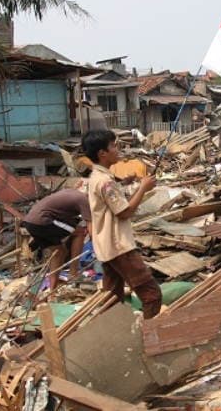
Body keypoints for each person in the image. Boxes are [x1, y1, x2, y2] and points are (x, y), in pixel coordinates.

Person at [82, 130, 162, 319]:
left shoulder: (98, 177)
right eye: (113, 146)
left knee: (113, 300)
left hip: (106, 248)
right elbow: (124, 212)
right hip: (119, 246)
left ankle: (113, 332)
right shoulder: (105, 182)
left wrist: (127, 185)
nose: (118, 149)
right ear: (102, 153)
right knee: (152, 295)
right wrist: (143, 188)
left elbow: (114, 203)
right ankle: (148, 333)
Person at [21, 189, 92, 291]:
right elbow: (91, 228)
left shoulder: (70, 193)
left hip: (29, 222)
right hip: (42, 220)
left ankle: (52, 289)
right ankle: (73, 274)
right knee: (81, 232)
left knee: (59, 252)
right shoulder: (84, 199)